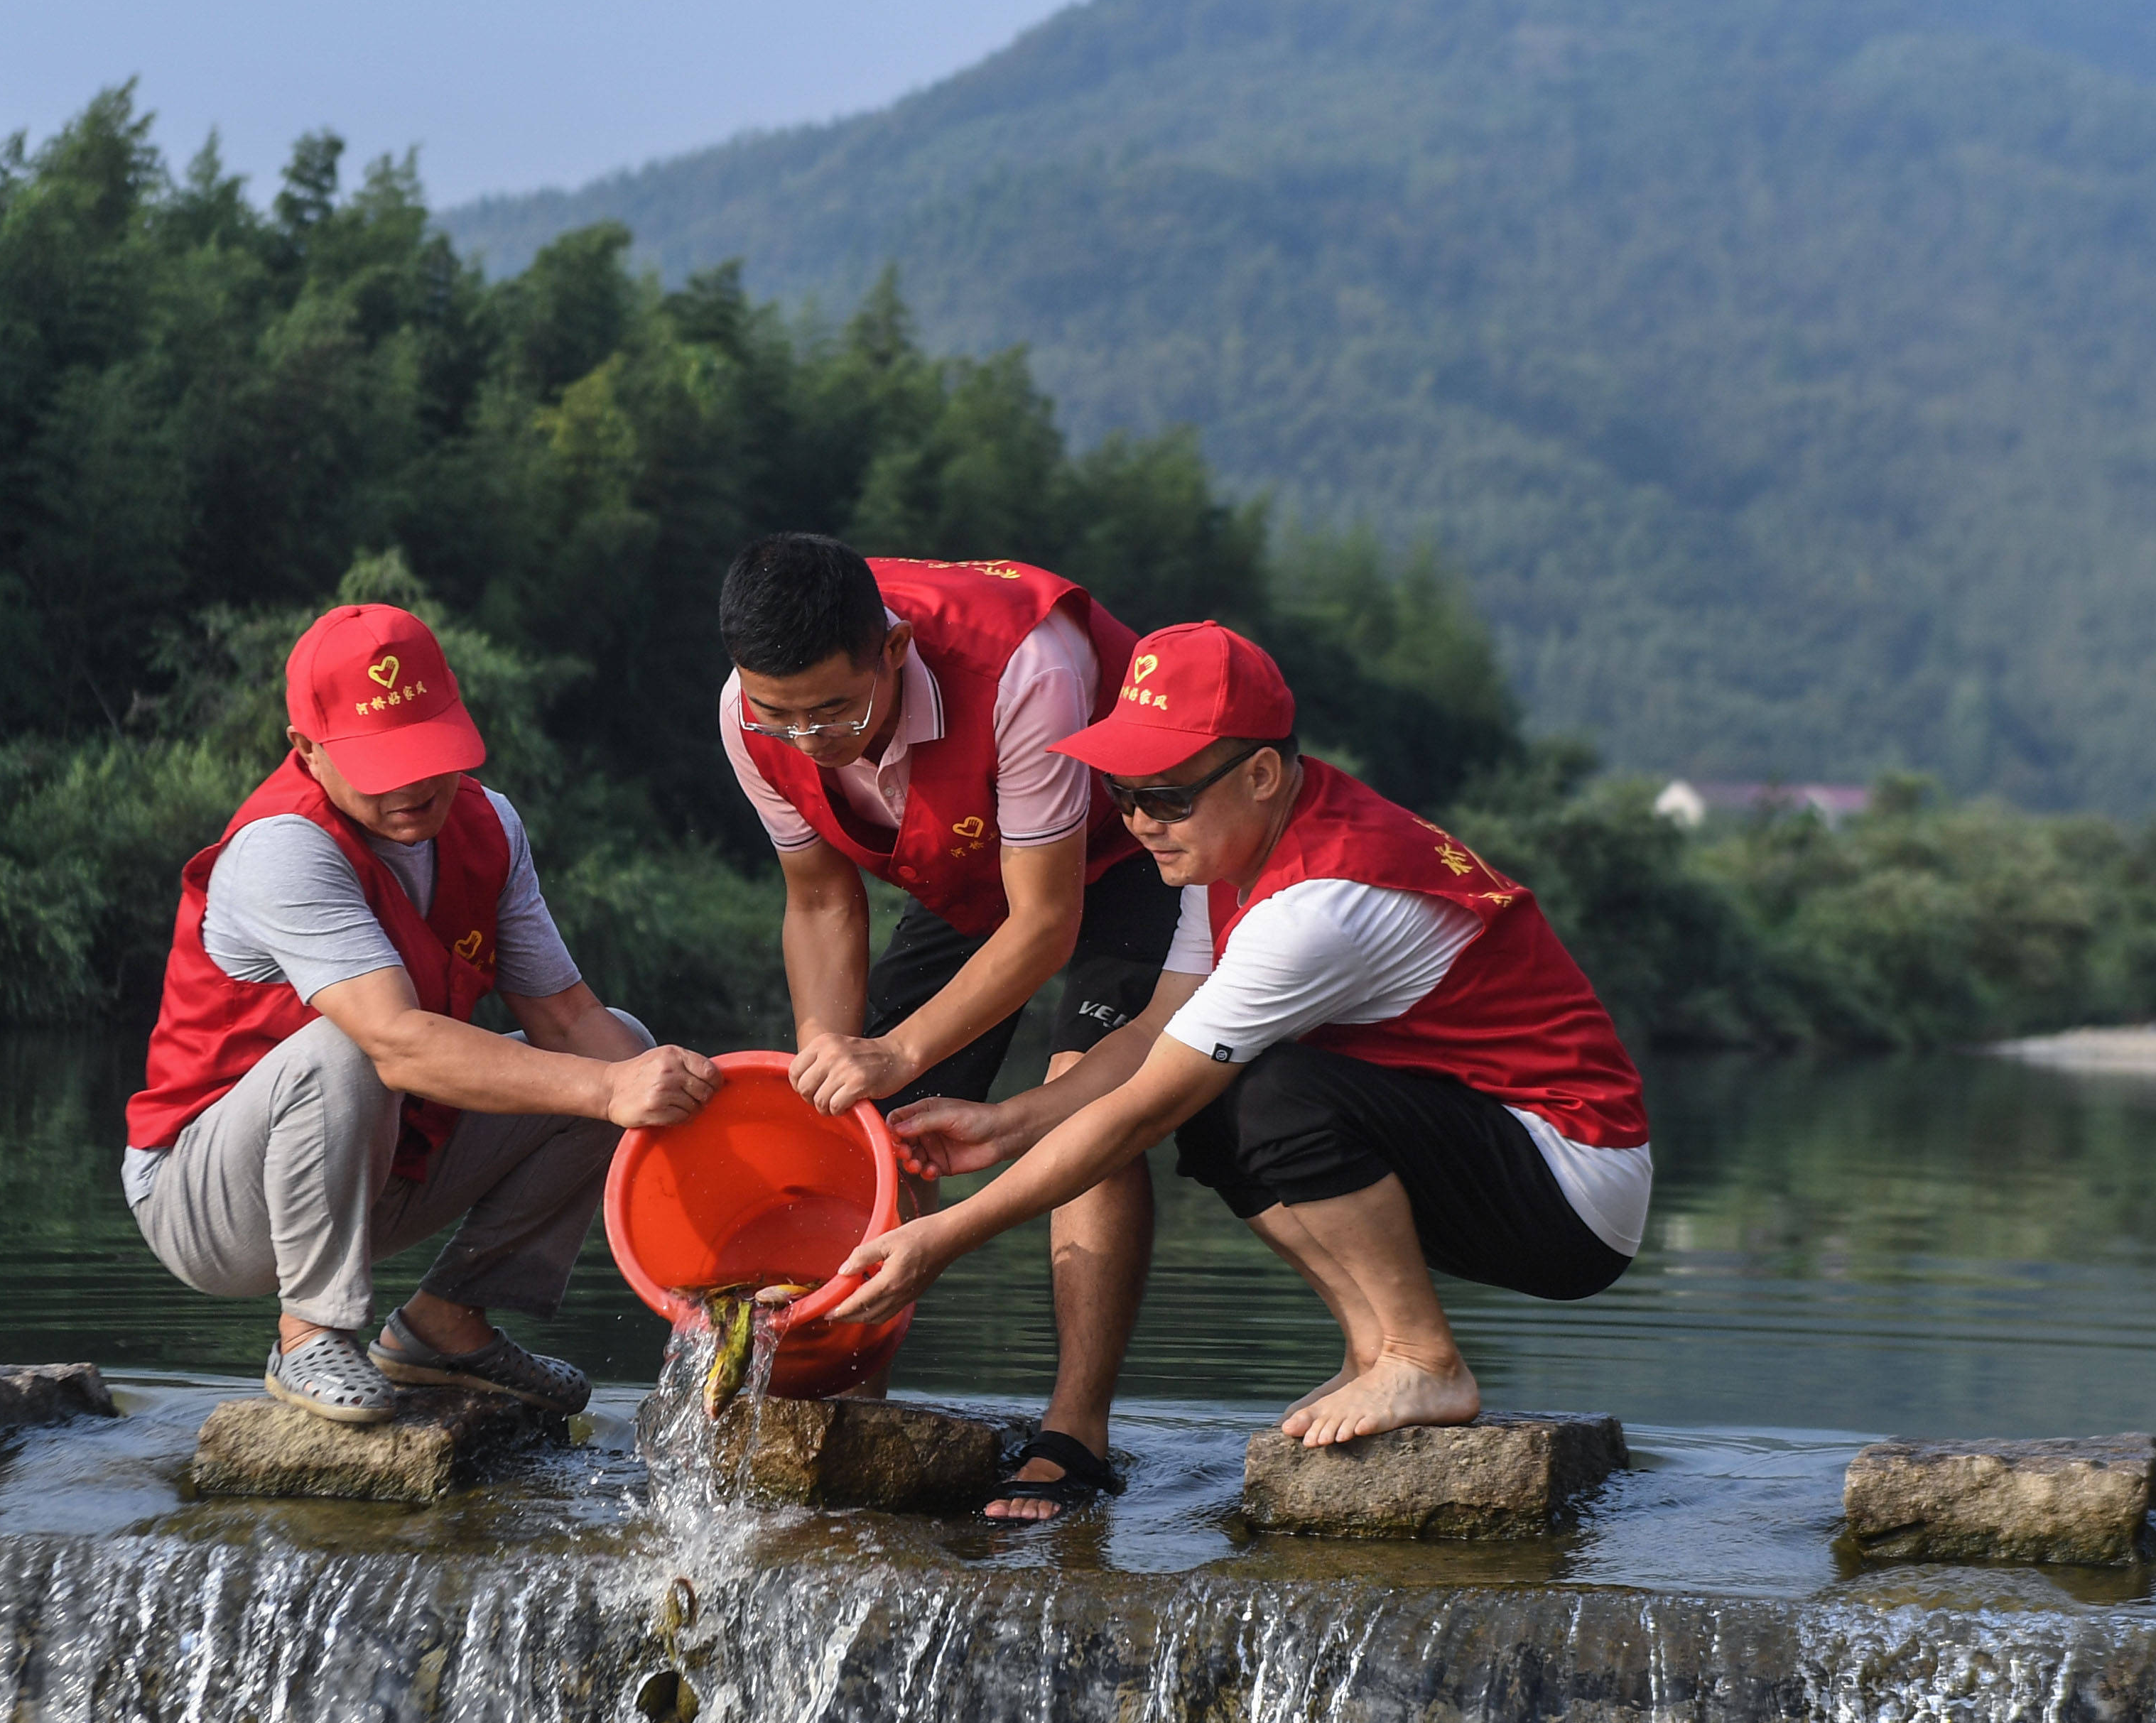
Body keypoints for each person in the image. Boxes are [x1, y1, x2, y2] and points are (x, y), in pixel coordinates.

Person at [828, 620, 1649, 1447]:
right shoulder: (1227, 854)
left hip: (1570, 1187)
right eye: (1125, 795)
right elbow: (1156, 1032)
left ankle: (1422, 1355)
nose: (1143, 823)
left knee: (1265, 1091)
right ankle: (1376, 1351)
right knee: (1223, 1103)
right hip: (1483, 1144)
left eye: (1169, 797)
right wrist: (1007, 1124)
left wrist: (941, 1237)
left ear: (1260, 774)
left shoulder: (1314, 907)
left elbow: (1141, 1111)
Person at [124, 602, 717, 1425]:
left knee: (630, 1058)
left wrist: (708, 1127)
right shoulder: (283, 847)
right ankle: (309, 1334)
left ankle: (447, 1325)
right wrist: (607, 1089)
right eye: (379, 763)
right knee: (354, 1047)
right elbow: (396, 1045)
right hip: (209, 1197)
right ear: (308, 751)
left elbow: (570, 1021)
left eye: (427, 752)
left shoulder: (489, 826)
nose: (412, 786)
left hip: (383, 1163)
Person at [715, 535, 1175, 1520]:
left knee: (1084, 1093)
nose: (808, 738)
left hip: (1118, 858)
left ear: (892, 647)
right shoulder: (749, 715)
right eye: (779, 715)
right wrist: (830, 1062)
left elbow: (1047, 922)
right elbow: (822, 902)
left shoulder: (1026, 669)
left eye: (834, 711)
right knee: (867, 1120)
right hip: (967, 868)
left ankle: (1074, 1434)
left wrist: (897, 1048)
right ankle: (848, 1384)